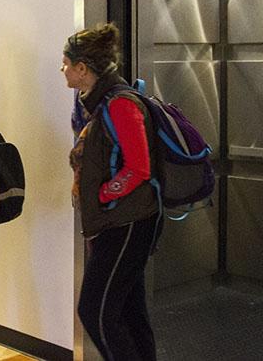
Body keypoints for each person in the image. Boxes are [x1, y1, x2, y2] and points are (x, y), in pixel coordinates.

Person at [64, 23, 162, 361]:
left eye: (66, 63)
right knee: (131, 312)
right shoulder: (95, 103)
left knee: (95, 311)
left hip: (127, 222)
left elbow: (139, 167)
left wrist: (104, 196)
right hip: (115, 222)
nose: (62, 69)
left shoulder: (120, 104)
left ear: (82, 68)